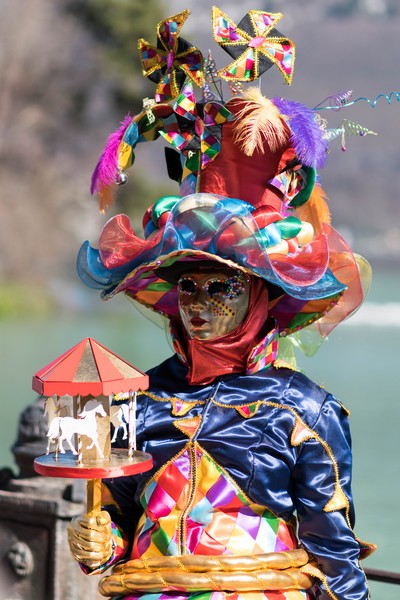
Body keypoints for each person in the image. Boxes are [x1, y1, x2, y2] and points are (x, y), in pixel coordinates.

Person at [68, 8, 376, 599]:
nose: (198, 304)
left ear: (261, 298)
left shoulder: (303, 410)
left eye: (221, 287)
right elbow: (119, 520)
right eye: (189, 285)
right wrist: (101, 540)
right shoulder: (137, 400)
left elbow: (333, 555)